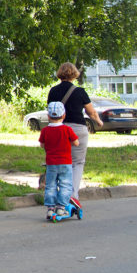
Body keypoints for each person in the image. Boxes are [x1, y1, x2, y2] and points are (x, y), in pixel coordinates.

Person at [47, 62, 103, 208]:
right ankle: (72, 195)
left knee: (60, 161)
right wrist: (98, 121)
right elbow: (91, 112)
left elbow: (51, 111)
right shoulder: (80, 92)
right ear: (74, 74)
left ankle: (58, 194)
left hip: (58, 129)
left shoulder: (53, 91)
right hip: (78, 130)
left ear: (60, 73)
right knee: (77, 163)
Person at [39, 101, 79, 219]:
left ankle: (50, 208)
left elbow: (42, 145)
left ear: (48, 116)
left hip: (51, 163)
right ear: (64, 115)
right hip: (65, 162)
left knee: (50, 185)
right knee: (65, 184)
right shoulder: (67, 129)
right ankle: (61, 207)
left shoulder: (45, 131)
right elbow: (76, 143)